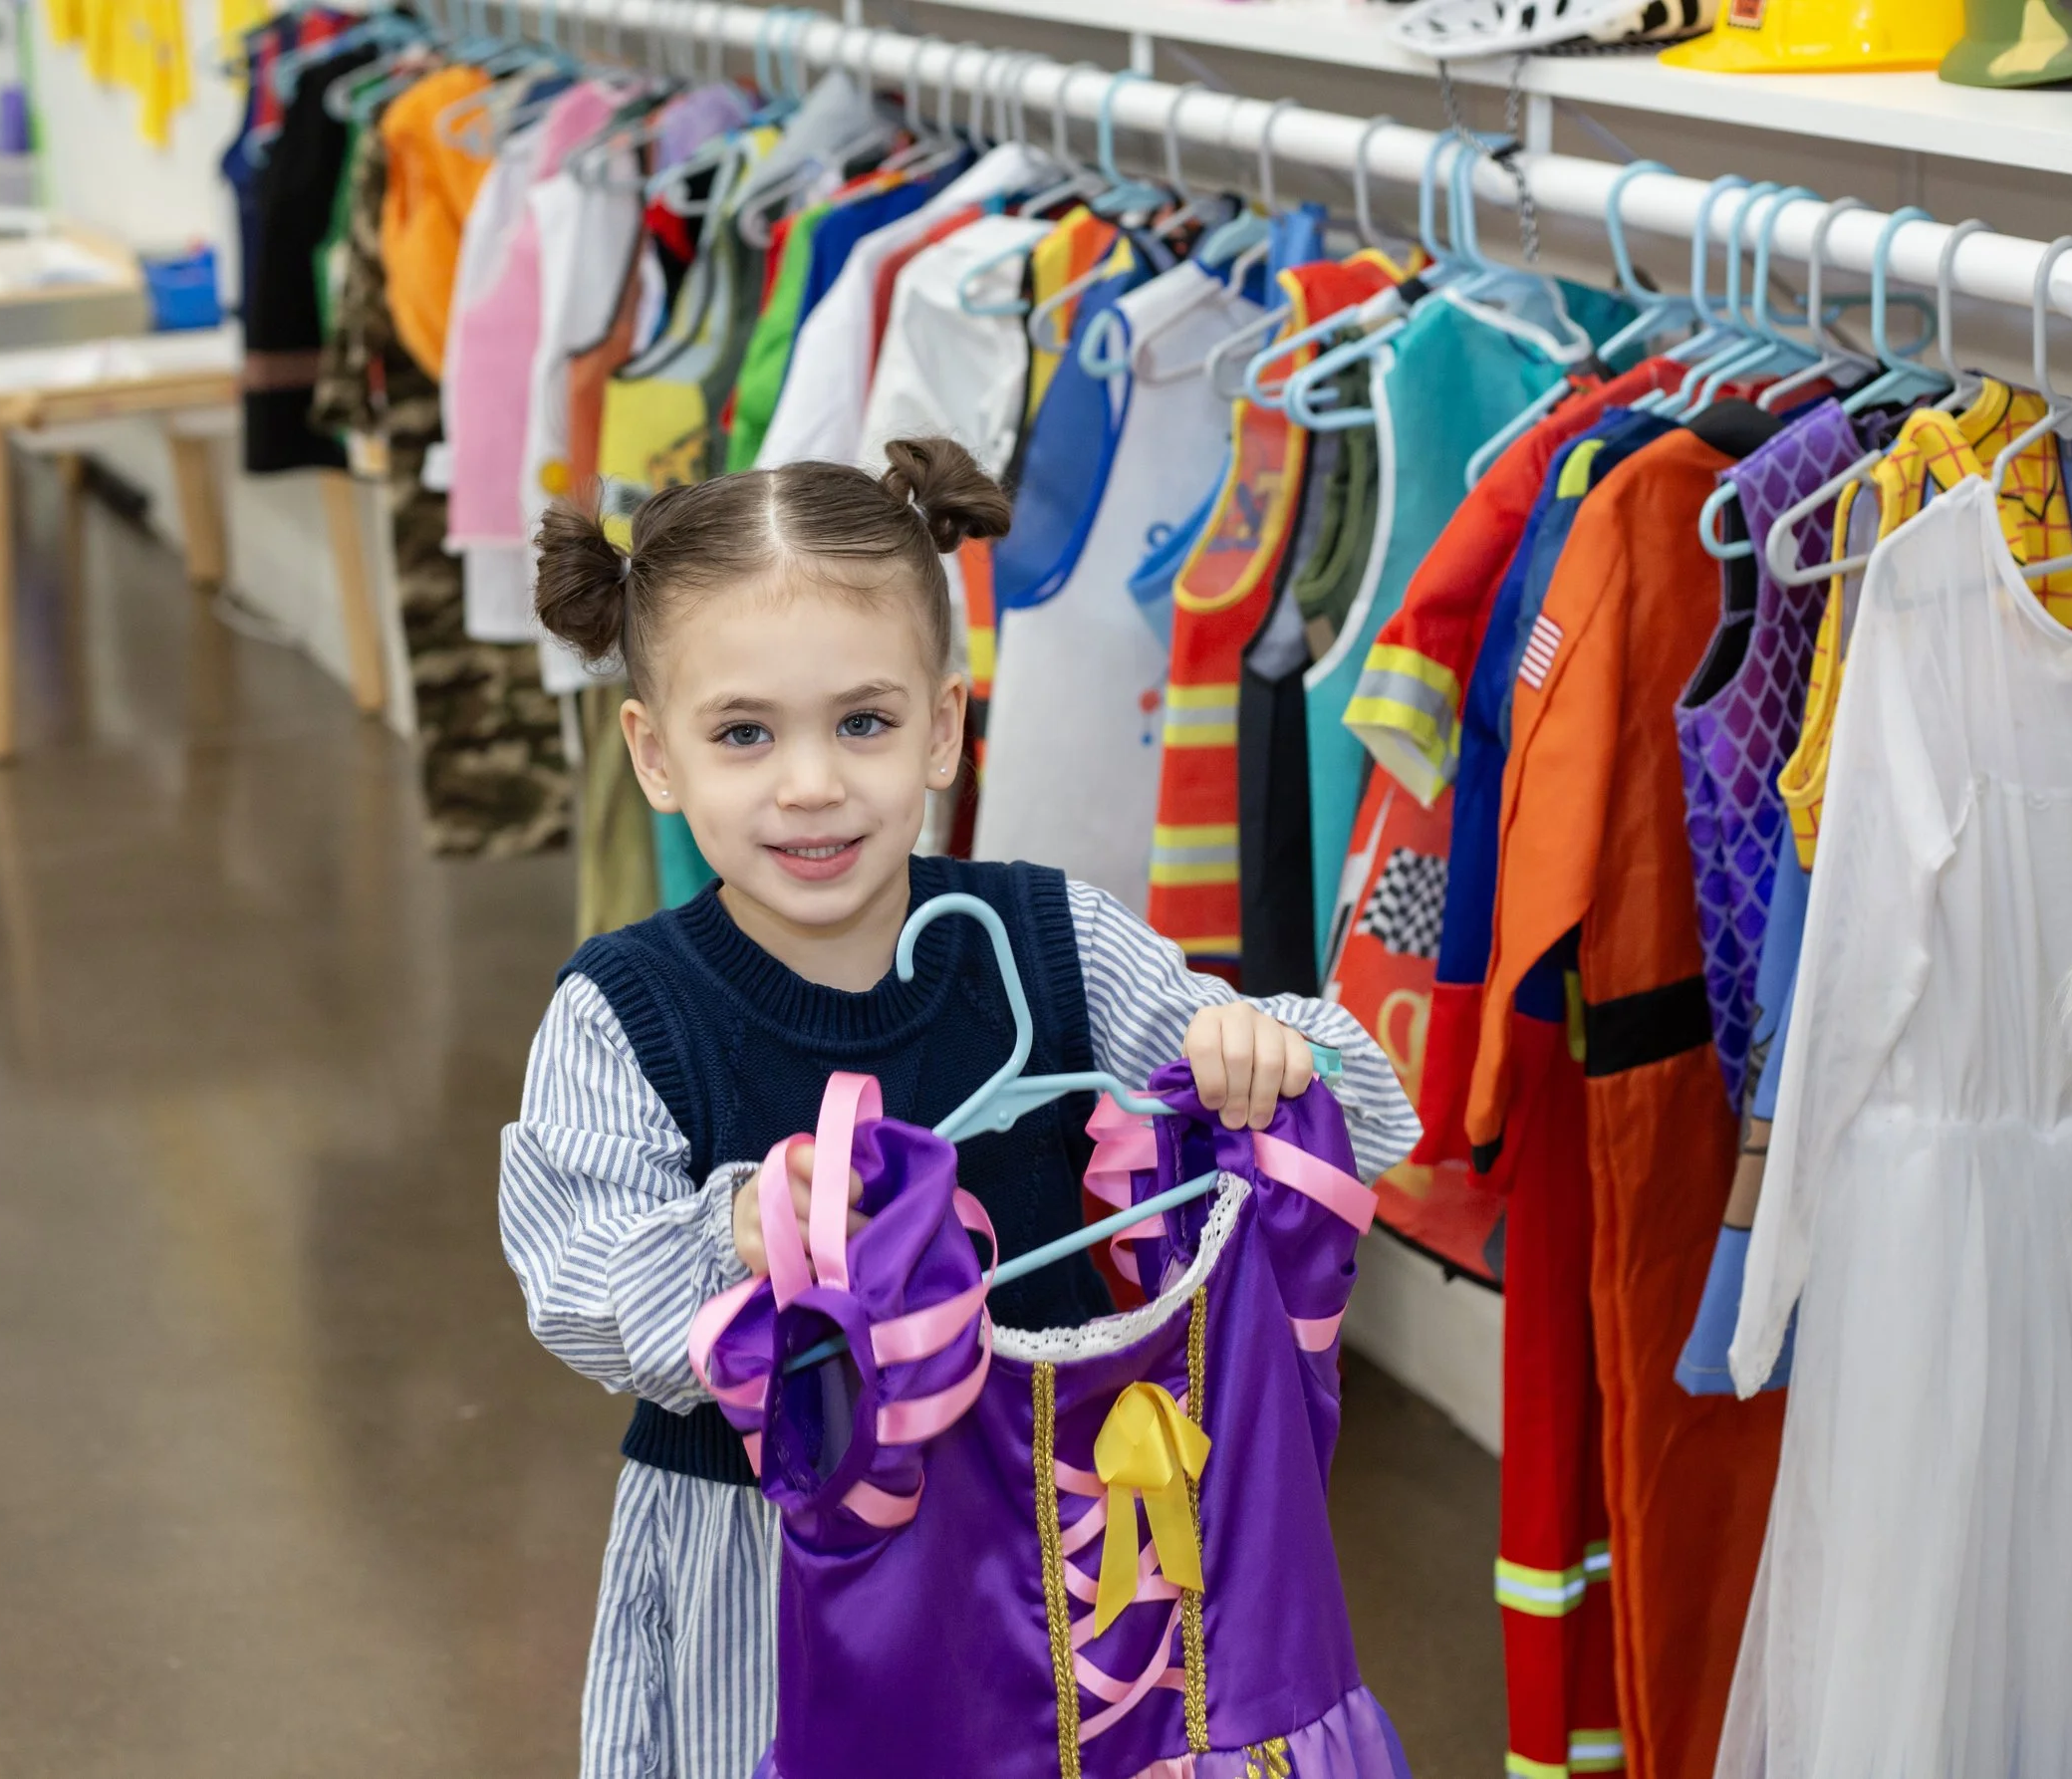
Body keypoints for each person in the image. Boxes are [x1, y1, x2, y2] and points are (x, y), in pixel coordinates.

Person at [498, 436, 1423, 1779]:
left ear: (944, 723)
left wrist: (1261, 1049)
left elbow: (1367, 1115)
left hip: (1045, 1575)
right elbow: (573, 1276)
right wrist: (741, 1233)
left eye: (862, 722)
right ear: (653, 753)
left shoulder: (1058, 944)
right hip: (761, 1576)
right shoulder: (624, 1011)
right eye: (744, 733)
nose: (810, 782)